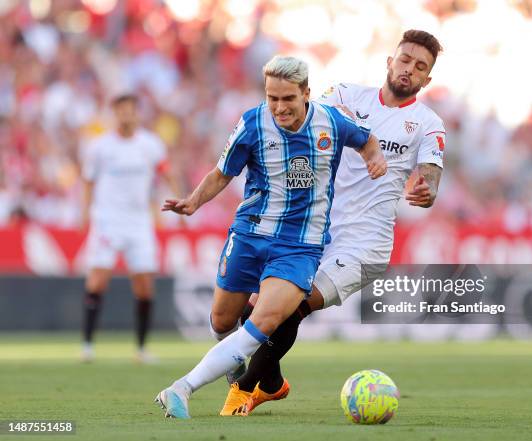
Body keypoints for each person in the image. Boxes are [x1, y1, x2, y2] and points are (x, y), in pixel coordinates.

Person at [221, 29, 445, 415]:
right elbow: (309, 123)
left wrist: (426, 189)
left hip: (365, 243)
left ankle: (242, 391)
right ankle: (272, 384)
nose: (410, 69)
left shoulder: (427, 123)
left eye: (420, 66)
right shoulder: (343, 95)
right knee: (253, 311)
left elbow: (431, 173)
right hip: (315, 231)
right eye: (405, 59)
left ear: (427, 79)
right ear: (389, 62)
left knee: (293, 307)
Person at [154, 55, 387, 419]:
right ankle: (269, 383)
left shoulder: (332, 123)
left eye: (287, 99)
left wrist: (375, 159)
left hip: (299, 246)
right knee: (221, 323)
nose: (279, 107)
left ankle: (182, 388)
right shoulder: (252, 124)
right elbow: (221, 173)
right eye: (272, 98)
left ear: (306, 93)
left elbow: (367, 140)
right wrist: (192, 202)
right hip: (249, 234)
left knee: (263, 322)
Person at [80, 94, 181, 363]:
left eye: (131, 111)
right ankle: (87, 345)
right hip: (107, 220)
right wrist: (85, 213)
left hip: (139, 222)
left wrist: (181, 204)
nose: (126, 115)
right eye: (121, 111)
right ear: (114, 114)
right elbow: (88, 182)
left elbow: (167, 173)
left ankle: (141, 348)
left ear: (138, 113)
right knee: (97, 280)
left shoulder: (150, 145)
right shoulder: (100, 147)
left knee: (145, 286)